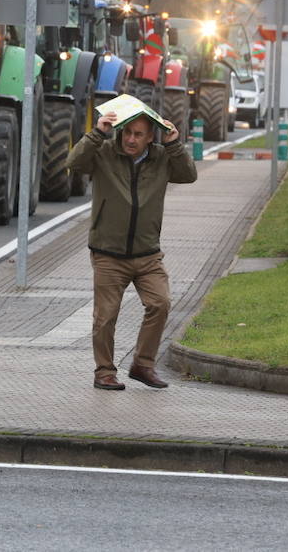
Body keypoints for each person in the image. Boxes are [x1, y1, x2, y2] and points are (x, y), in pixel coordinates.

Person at [68, 106, 197, 390]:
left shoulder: (162, 159)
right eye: (127, 132)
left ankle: (142, 364)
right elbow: (74, 162)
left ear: (151, 136)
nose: (130, 139)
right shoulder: (103, 153)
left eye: (138, 134)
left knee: (160, 304)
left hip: (148, 254)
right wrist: (96, 133)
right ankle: (104, 371)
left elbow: (188, 175)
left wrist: (174, 143)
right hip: (108, 253)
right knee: (105, 317)